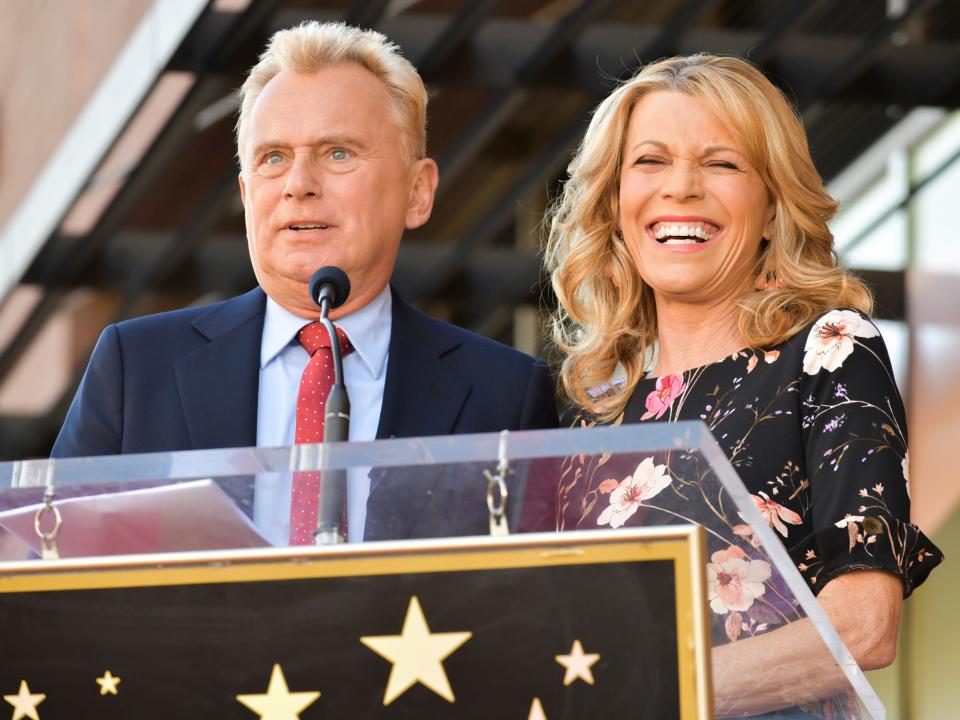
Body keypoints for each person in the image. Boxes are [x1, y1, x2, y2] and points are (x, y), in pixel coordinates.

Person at [542, 54, 942, 716]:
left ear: (772, 208)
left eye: (721, 163)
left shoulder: (831, 352)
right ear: (613, 205)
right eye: (649, 162)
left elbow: (863, 627)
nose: (681, 188)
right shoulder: (593, 418)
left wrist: (653, 690)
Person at [52, 21, 558, 543]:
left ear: (417, 192)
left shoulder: (505, 396)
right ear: (248, 194)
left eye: (337, 153)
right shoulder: (135, 369)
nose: (299, 185)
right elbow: (48, 567)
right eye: (274, 158)